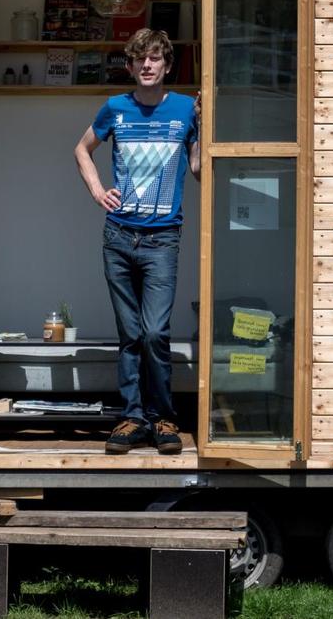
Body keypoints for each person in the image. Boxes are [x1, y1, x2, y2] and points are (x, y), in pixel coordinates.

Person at [73, 28, 199, 454]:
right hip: (119, 237)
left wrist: (208, 123)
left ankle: (163, 418)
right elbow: (82, 149)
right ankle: (131, 418)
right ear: (130, 66)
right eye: (140, 59)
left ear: (166, 65)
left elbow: (198, 168)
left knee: (154, 332)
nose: (147, 65)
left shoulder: (185, 109)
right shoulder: (116, 108)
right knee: (129, 334)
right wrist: (97, 192)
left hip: (163, 239)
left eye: (155, 58)